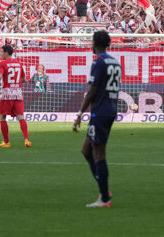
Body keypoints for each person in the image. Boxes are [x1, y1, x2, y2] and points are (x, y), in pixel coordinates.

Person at [72, 30, 119, 208]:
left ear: (94, 44)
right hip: (110, 109)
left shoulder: (98, 62)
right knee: (86, 150)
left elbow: (92, 90)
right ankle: (104, 189)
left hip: (100, 112)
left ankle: (104, 198)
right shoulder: (115, 62)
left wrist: (79, 114)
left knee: (99, 153)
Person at [0, 44, 31, 148]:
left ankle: (6, 142)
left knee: (2, 117)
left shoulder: (2, 63)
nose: (0, 54)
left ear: (6, 53)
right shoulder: (18, 63)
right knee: (20, 117)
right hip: (18, 93)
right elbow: (23, 79)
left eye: (1, 52)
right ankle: (27, 139)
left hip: (7, 93)